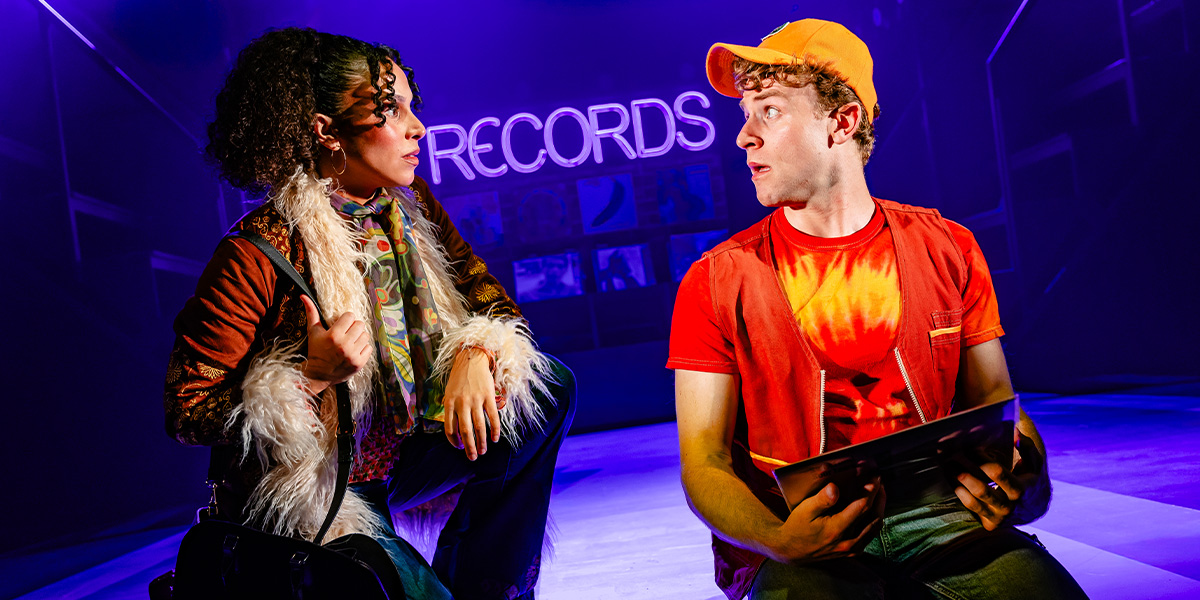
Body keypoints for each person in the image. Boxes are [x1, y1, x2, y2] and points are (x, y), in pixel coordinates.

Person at [668, 19, 1088, 600]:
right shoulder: (715, 280)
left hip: (947, 521)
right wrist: (776, 538)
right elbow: (704, 462)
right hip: (801, 542)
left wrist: (1024, 477)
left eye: (769, 110)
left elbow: (997, 404)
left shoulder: (947, 246)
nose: (744, 136)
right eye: (745, 114)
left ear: (842, 122)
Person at [164, 27, 575, 600]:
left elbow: (495, 306)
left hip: (404, 456)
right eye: (392, 110)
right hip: (324, 490)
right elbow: (187, 409)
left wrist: (477, 351)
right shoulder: (258, 250)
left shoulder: (410, 208)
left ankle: (487, 588)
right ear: (325, 131)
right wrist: (309, 376)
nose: (418, 128)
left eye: (413, 106)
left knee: (548, 388)